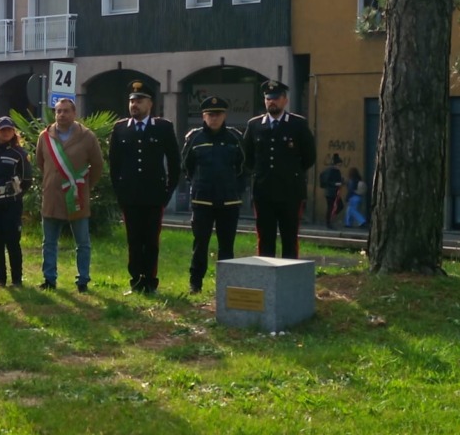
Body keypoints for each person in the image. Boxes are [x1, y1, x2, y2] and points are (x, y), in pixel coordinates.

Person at [108, 80, 181, 295]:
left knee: (151, 241)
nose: (134, 105)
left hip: (154, 195)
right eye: (132, 101)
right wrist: (119, 192)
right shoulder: (121, 128)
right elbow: (114, 164)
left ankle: (150, 281)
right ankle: (135, 281)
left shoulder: (163, 127)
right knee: (133, 240)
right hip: (130, 195)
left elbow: (174, 162)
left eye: (139, 101)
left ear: (150, 104)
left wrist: (167, 192)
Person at [35, 96, 104, 292]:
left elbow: (97, 165)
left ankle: (83, 280)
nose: (62, 114)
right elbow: (40, 163)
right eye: (58, 111)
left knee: (82, 242)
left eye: (66, 111)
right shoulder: (45, 137)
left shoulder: (87, 136)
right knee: (49, 242)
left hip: (77, 196)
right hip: (52, 196)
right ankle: (49, 279)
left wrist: (85, 186)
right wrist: (53, 179)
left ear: (74, 113)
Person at [242, 79, 317, 258]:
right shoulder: (254, 125)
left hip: (290, 191)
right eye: (268, 98)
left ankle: (290, 273)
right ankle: (266, 272)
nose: (271, 102)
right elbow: (247, 156)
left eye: (275, 98)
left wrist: (292, 173)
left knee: (289, 238)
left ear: (285, 100)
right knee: (265, 238)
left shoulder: (297, 124)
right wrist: (259, 174)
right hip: (263, 191)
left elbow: (309, 157)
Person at [181, 96, 246, 294]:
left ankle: (226, 285)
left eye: (218, 114)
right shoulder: (195, 138)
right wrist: (198, 184)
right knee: (200, 244)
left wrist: (235, 187)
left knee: (226, 245)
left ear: (224, 116)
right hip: (202, 200)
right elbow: (187, 166)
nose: (214, 118)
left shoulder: (235, 137)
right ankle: (195, 284)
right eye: (210, 115)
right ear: (203, 116)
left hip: (229, 200)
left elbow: (244, 166)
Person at [0, 116, 32, 287]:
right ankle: (0, 279)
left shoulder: (19, 154)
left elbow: (27, 180)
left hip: (11, 203)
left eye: (9, 129)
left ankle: (17, 279)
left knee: (12, 241)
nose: (6, 133)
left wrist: (16, 195)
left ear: (13, 132)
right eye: (3, 130)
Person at [319, 153, 345, 228]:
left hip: (335, 192)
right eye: (339, 165)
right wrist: (336, 184)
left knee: (339, 206)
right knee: (330, 207)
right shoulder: (331, 171)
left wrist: (341, 182)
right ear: (335, 164)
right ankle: (328, 222)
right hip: (330, 192)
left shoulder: (336, 171)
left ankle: (330, 218)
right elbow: (328, 181)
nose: (340, 166)